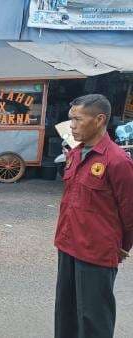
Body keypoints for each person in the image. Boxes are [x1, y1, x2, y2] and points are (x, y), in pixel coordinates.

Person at [54, 94, 133, 338]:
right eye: (71, 120)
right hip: (67, 245)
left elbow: (130, 211)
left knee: (93, 319)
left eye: (78, 120)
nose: (72, 126)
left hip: (96, 252)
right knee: (65, 314)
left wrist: (123, 246)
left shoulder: (117, 161)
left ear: (99, 120)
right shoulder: (75, 153)